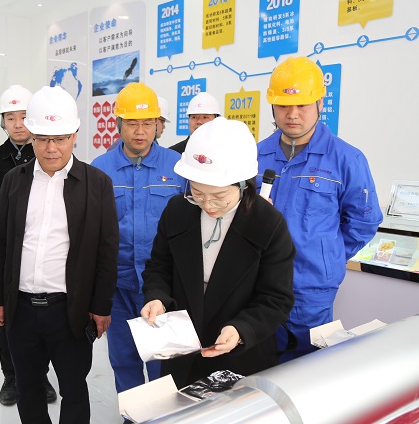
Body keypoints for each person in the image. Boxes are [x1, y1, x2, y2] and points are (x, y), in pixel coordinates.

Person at [0, 86, 119, 424]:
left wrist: (101, 305)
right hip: (21, 309)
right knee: (28, 389)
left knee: (74, 388)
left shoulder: (96, 184)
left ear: (74, 136)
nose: (51, 148)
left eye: (59, 139)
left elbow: (107, 250)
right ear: (31, 136)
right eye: (43, 139)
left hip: (70, 311)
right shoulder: (13, 181)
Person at [141, 117, 296, 389]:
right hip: (183, 351)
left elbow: (275, 298)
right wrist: (157, 297)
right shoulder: (178, 211)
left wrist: (242, 329)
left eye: (220, 197)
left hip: (239, 356)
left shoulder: (268, 224)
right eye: (197, 193)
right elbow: (159, 266)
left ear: (244, 184)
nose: (208, 205)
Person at [257, 56, 383, 362]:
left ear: (320, 103)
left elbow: (364, 222)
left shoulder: (346, 159)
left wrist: (327, 254)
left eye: (302, 105)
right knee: (256, 366)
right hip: (257, 285)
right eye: (283, 106)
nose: (292, 114)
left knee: (307, 368)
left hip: (310, 290)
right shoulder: (256, 156)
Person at [91, 82, 185, 395]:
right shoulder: (100, 169)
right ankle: (132, 415)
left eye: (148, 123)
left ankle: (164, 415)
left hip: (163, 287)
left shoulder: (177, 167)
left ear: (158, 124)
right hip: (117, 286)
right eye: (132, 123)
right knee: (124, 359)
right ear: (118, 124)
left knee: (163, 361)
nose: (140, 131)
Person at [0, 84, 57, 406]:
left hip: (41, 254)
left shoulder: (48, 157)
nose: (18, 124)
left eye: (23, 117)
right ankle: (11, 376)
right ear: (3, 122)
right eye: (11, 118)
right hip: (5, 256)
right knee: (6, 317)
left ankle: (40, 375)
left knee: (43, 318)